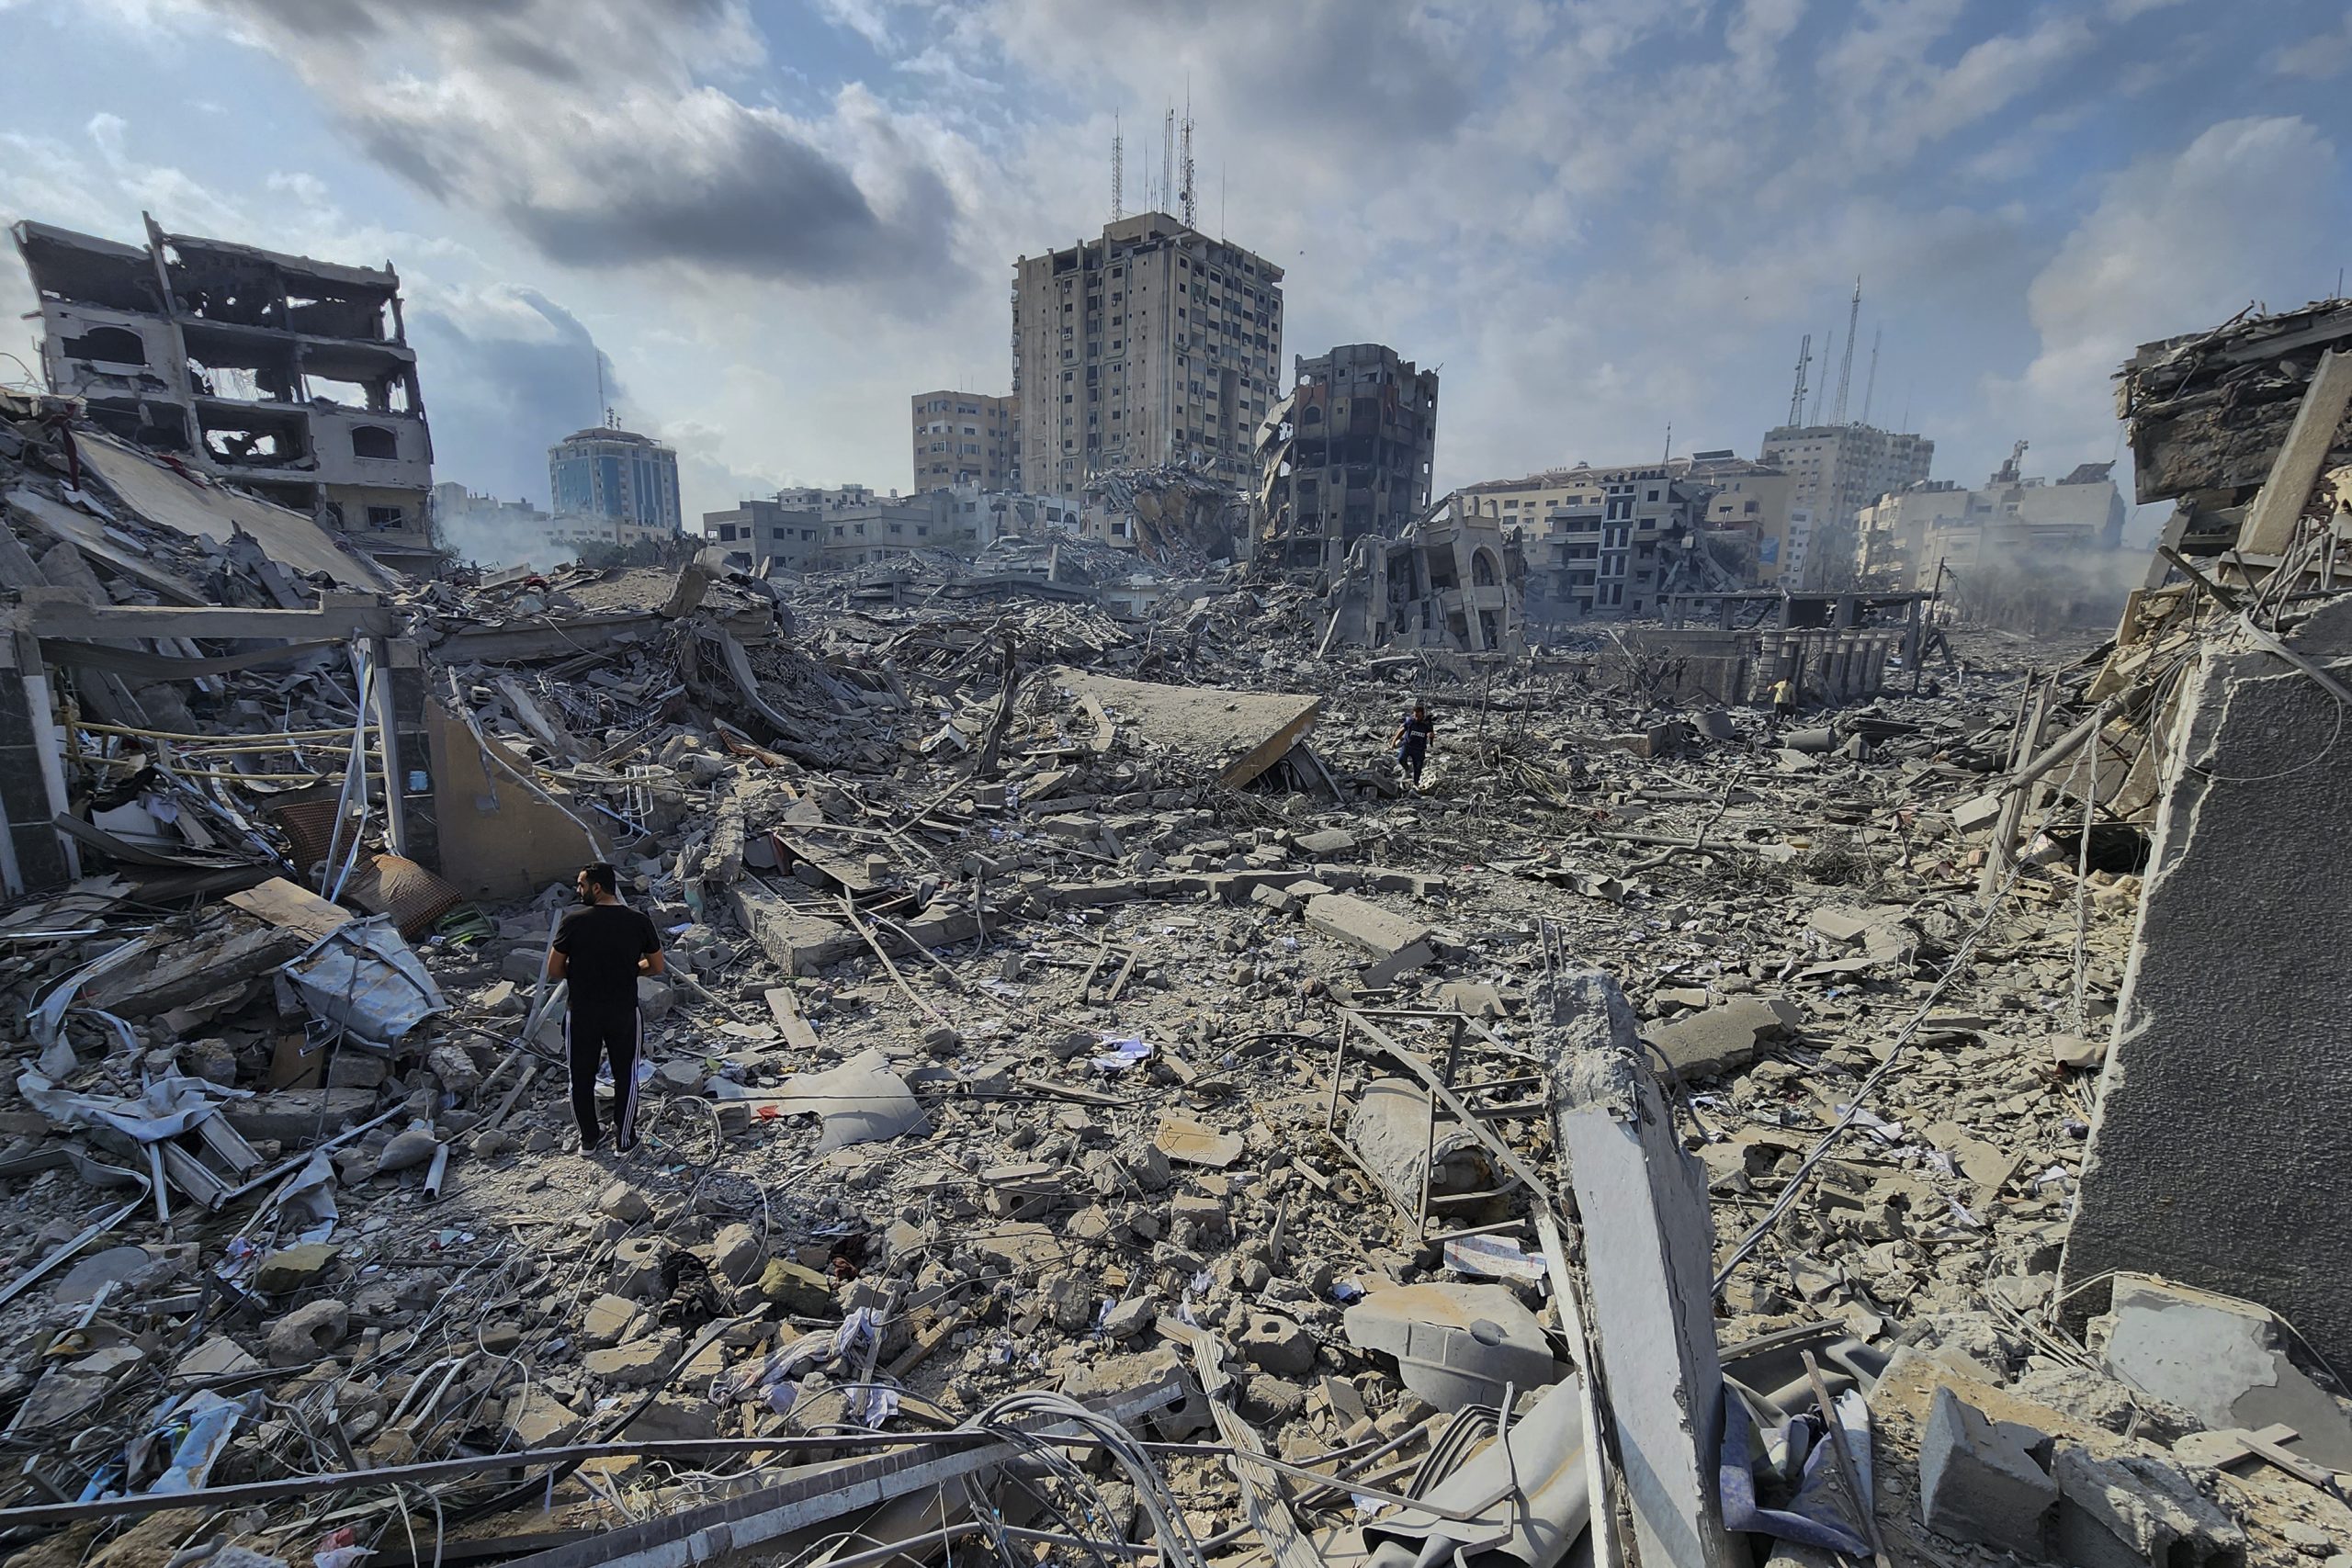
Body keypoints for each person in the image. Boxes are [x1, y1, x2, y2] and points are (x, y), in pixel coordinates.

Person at [548, 863, 664, 1156]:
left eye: (581, 885)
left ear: (596, 887)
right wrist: (626, 970)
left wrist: (584, 972)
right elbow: (656, 966)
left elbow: (555, 969)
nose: (578, 890)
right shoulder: (638, 921)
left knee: (580, 1077)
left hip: (582, 1012)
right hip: (623, 1011)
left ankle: (589, 1139)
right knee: (626, 1074)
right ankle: (624, 1141)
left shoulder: (572, 922)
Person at [1395, 702, 1436, 787]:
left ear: (1422, 715)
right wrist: (1393, 742)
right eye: (1415, 715)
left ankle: (1416, 783)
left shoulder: (1427, 723)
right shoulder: (1410, 721)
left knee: (1418, 767)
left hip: (1419, 748)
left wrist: (1430, 737)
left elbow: (1431, 734)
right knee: (1401, 759)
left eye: (1418, 716)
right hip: (1407, 745)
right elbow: (1401, 731)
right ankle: (1407, 770)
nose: (1416, 718)